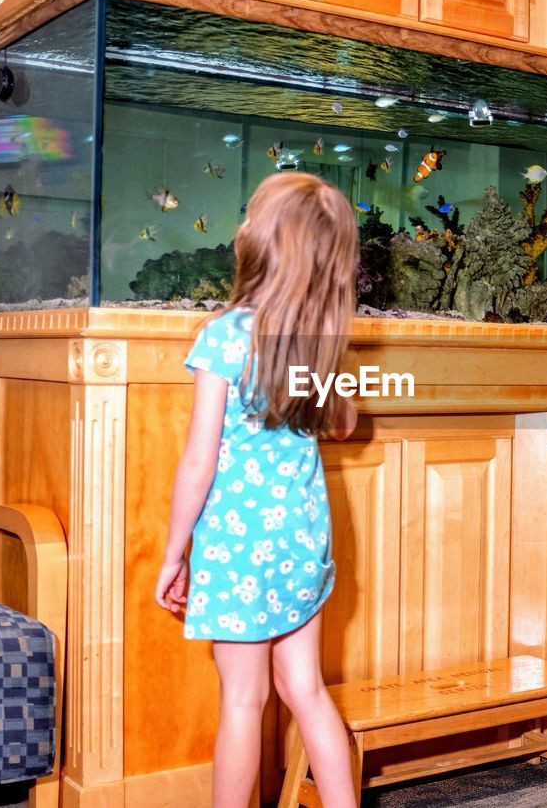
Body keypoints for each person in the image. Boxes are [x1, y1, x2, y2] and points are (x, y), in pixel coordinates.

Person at [154, 172, 360, 808]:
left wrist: (173, 551)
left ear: (257, 242)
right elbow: (346, 423)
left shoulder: (224, 336)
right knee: (308, 692)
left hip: (241, 549)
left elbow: (198, 462)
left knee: (244, 700)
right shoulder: (317, 344)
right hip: (303, 540)